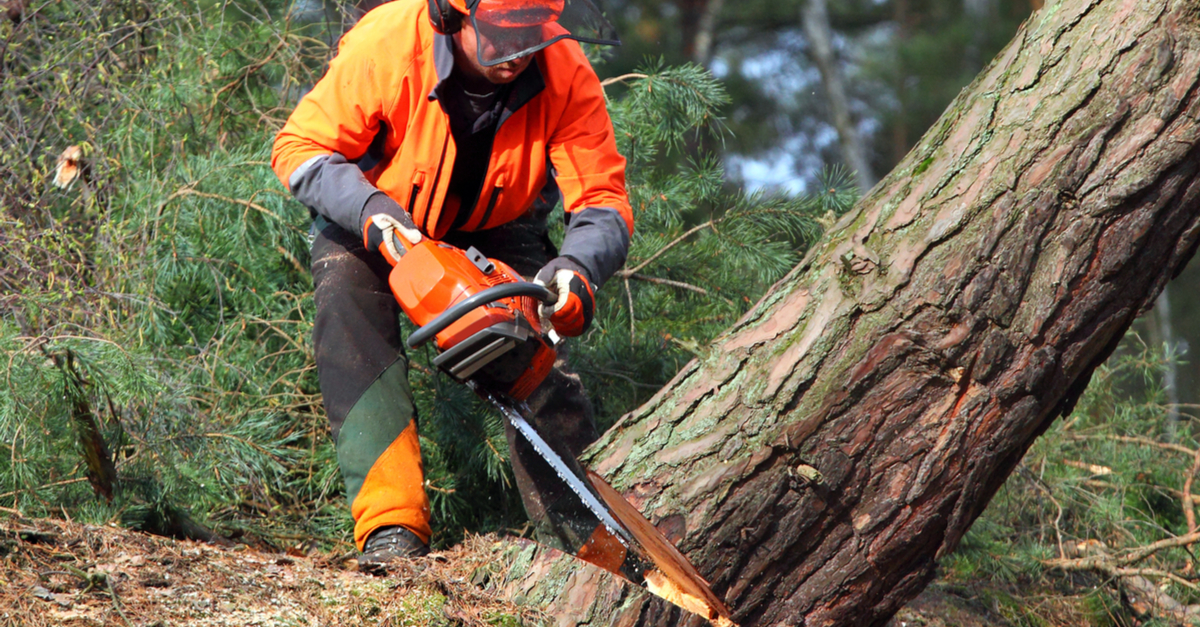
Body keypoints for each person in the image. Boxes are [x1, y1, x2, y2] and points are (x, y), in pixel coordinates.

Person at [270, 0, 631, 569]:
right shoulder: (391, 40)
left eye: (530, 36)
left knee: (532, 356)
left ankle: (591, 545)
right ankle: (392, 532)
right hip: (383, 213)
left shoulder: (564, 68)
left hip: (499, 225)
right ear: (452, 15)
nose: (517, 54)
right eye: (501, 36)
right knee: (345, 294)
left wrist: (577, 268)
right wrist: (372, 211)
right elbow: (299, 148)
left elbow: (602, 200)